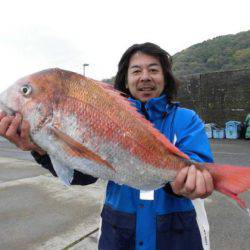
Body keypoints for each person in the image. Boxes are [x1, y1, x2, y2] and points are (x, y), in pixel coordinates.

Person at [0, 42, 214, 250]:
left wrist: (189, 183)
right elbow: (85, 174)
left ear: (165, 77)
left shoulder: (187, 120)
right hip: (118, 230)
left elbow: (200, 165)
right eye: (136, 71)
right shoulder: (107, 114)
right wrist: (40, 150)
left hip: (177, 234)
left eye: (153, 70)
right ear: (126, 80)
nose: (145, 77)